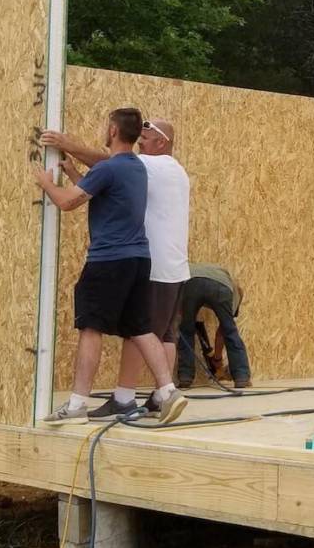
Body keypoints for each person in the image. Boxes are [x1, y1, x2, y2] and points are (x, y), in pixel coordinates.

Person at [31, 107, 186, 425]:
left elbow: (67, 202)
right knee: (141, 328)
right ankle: (169, 393)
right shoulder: (137, 169)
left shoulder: (119, 166)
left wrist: (46, 182)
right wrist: (75, 174)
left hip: (109, 259)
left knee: (91, 327)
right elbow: (108, 194)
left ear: (113, 131)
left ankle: (76, 405)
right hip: (139, 260)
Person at [176, 263, 251, 389]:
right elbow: (223, 332)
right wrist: (217, 360)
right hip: (219, 287)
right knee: (230, 331)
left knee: (186, 330)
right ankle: (241, 376)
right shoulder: (234, 295)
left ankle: (185, 377)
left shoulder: (221, 275)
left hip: (190, 281)